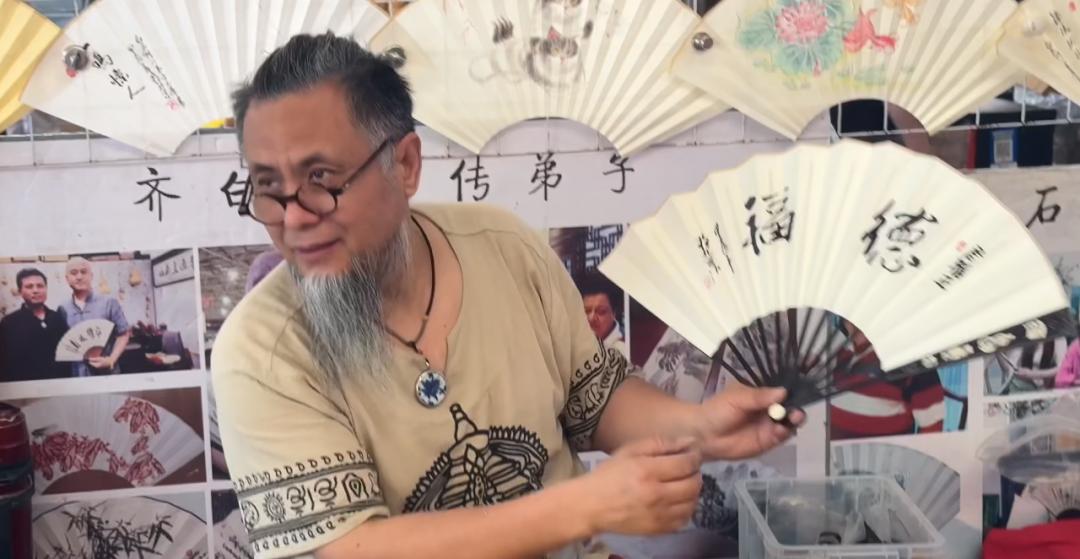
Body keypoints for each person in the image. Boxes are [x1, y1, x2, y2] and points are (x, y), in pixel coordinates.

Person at [212, 32, 803, 559]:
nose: (294, 218)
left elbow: (594, 401)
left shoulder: (503, 246)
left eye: (321, 179)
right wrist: (584, 506)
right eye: (268, 187)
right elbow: (350, 548)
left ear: (406, 164)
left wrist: (698, 428)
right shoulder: (261, 352)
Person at [829, 318, 946, 439]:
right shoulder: (834, 352)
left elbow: (932, 429)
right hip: (831, 449)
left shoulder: (909, 358)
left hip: (885, 449)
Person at [59, 257, 131, 377]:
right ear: (67, 279)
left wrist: (111, 359)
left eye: (83, 272)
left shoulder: (109, 303)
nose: (79, 277)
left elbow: (124, 334)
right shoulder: (63, 309)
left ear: (91, 276)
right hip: (76, 375)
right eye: (74, 273)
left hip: (107, 374)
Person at [0, 268, 70, 381]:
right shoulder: (9, 323)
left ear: (46, 289)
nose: (36, 290)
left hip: (58, 384)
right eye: (29, 287)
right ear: (20, 291)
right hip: (26, 386)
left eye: (40, 286)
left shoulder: (58, 318)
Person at [577, 271, 628, 359]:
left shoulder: (624, 351)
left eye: (601, 311)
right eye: (586, 311)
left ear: (614, 313)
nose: (591, 318)